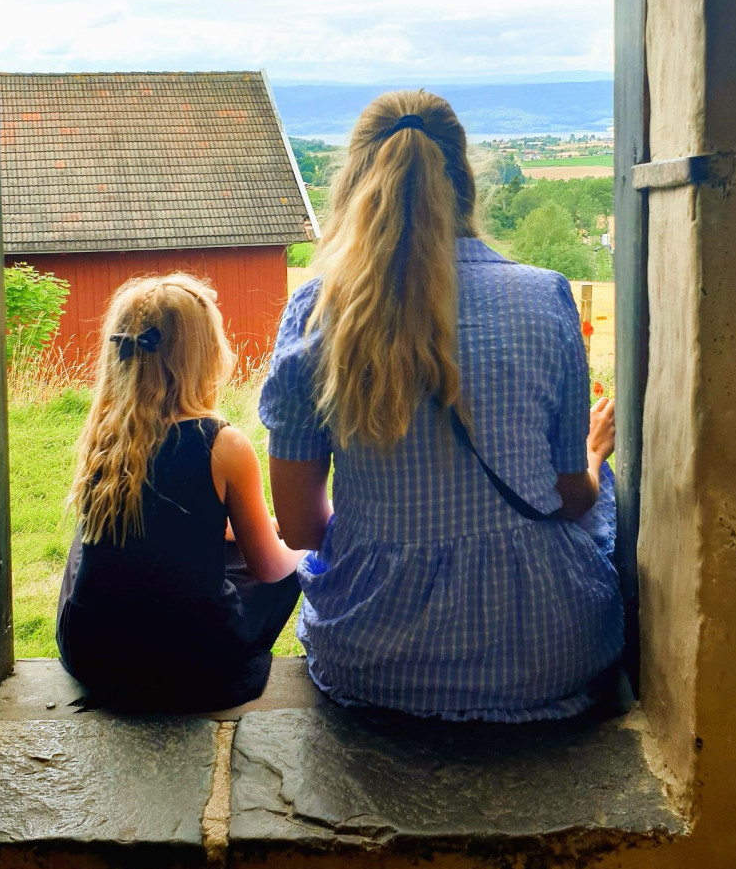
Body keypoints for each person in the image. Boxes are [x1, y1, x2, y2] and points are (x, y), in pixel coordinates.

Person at [260, 91, 623, 721]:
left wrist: (390, 535)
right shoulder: (544, 297)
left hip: (373, 656)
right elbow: (570, 497)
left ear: (352, 184)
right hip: (547, 651)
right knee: (605, 487)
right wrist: (594, 457)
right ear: (464, 182)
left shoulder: (318, 312)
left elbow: (297, 526)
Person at [56, 273, 304, 713]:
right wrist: (301, 551)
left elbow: (160, 529)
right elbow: (268, 568)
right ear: (207, 354)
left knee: (85, 543)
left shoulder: (106, 432)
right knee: (281, 563)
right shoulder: (223, 444)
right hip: (197, 661)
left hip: (96, 653)